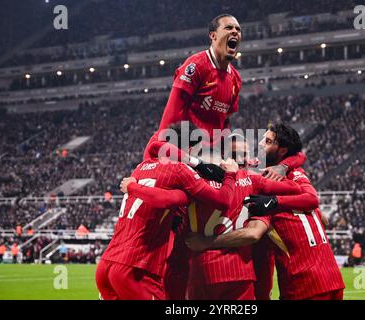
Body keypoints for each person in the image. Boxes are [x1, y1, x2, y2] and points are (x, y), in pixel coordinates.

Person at [126, 134, 306, 299]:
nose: (242, 159)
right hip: (239, 273)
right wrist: (281, 174)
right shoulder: (255, 182)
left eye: (244, 154)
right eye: (236, 155)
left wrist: (136, 186)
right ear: (224, 156)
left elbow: (160, 164)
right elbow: (297, 189)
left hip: (203, 269)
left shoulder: (197, 181)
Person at [186, 124, 345, 300]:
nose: (260, 145)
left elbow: (254, 234)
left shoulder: (260, 189)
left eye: (267, 141)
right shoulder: (290, 175)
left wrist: (275, 199)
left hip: (300, 282)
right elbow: (317, 208)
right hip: (330, 277)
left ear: (282, 150)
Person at [95, 122, 239, 300]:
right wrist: (231, 175)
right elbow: (223, 200)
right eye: (198, 151)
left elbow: (155, 148)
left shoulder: (141, 166)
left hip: (107, 264)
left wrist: (180, 199)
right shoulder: (180, 169)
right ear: (189, 148)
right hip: (136, 268)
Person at [143, 14, 243, 162]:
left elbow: (225, 121)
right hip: (181, 150)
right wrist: (165, 152)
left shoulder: (235, 79)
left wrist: (224, 153)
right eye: (229, 27)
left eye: (238, 29)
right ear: (213, 36)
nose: (235, 31)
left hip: (208, 156)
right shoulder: (196, 65)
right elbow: (172, 112)